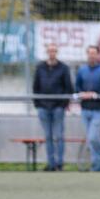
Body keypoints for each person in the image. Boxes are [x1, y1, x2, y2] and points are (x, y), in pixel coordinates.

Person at [33, 43, 73, 171]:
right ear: (47, 52)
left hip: (58, 107)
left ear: (56, 52)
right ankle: (51, 163)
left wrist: (63, 104)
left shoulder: (63, 68)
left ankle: (59, 163)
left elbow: (69, 88)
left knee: (59, 136)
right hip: (43, 107)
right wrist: (38, 104)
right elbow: (35, 87)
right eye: (49, 51)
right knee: (48, 136)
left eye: (54, 51)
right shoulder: (40, 68)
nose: (52, 53)